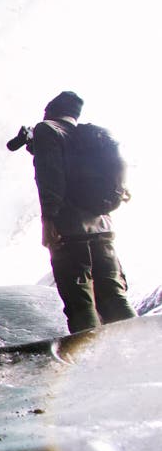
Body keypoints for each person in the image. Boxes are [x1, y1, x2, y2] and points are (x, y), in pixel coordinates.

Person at [29, 90, 137, 333]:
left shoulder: (47, 130)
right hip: (103, 230)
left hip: (69, 233)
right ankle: (143, 356)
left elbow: (51, 177)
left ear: (50, 111)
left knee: (81, 306)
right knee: (114, 299)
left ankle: (90, 367)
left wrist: (48, 221)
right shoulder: (92, 136)